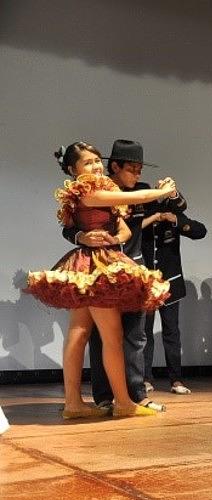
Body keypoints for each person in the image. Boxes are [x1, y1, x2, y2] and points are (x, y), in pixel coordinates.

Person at [27, 141, 174, 418]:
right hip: (94, 266)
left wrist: (112, 238)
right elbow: (133, 199)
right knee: (111, 335)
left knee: (80, 332)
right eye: (88, 163)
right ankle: (122, 402)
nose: (95, 166)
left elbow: (124, 231)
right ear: (73, 170)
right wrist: (163, 191)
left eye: (97, 161)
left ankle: (74, 403)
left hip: (94, 260)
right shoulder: (88, 192)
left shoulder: (99, 191)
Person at [142, 203, 207, 395]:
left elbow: (200, 231)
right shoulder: (141, 211)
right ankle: (144, 378)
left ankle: (176, 379)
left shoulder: (173, 213)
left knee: (172, 331)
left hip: (170, 282)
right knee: (144, 332)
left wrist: (175, 220)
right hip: (145, 283)